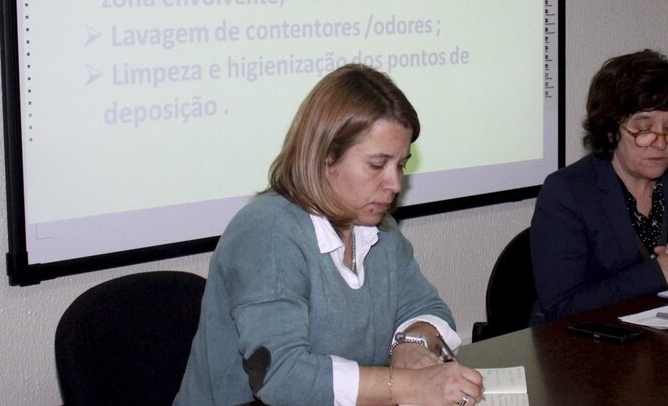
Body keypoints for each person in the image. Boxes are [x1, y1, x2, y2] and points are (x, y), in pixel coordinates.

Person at [175, 64, 483, 406]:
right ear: (326, 158)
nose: (395, 184)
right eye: (377, 164)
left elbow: (427, 307)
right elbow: (282, 376)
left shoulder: (378, 227)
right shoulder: (267, 233)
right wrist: (410, 385)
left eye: (401, 164)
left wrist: (411, 345)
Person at [530, 49, 668, 323]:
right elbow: (562, 306)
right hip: (587, 340)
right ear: (611, 131)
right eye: (644, 129)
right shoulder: (567, 192)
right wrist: (658, 273)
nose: (660, 142)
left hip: (666, 335)